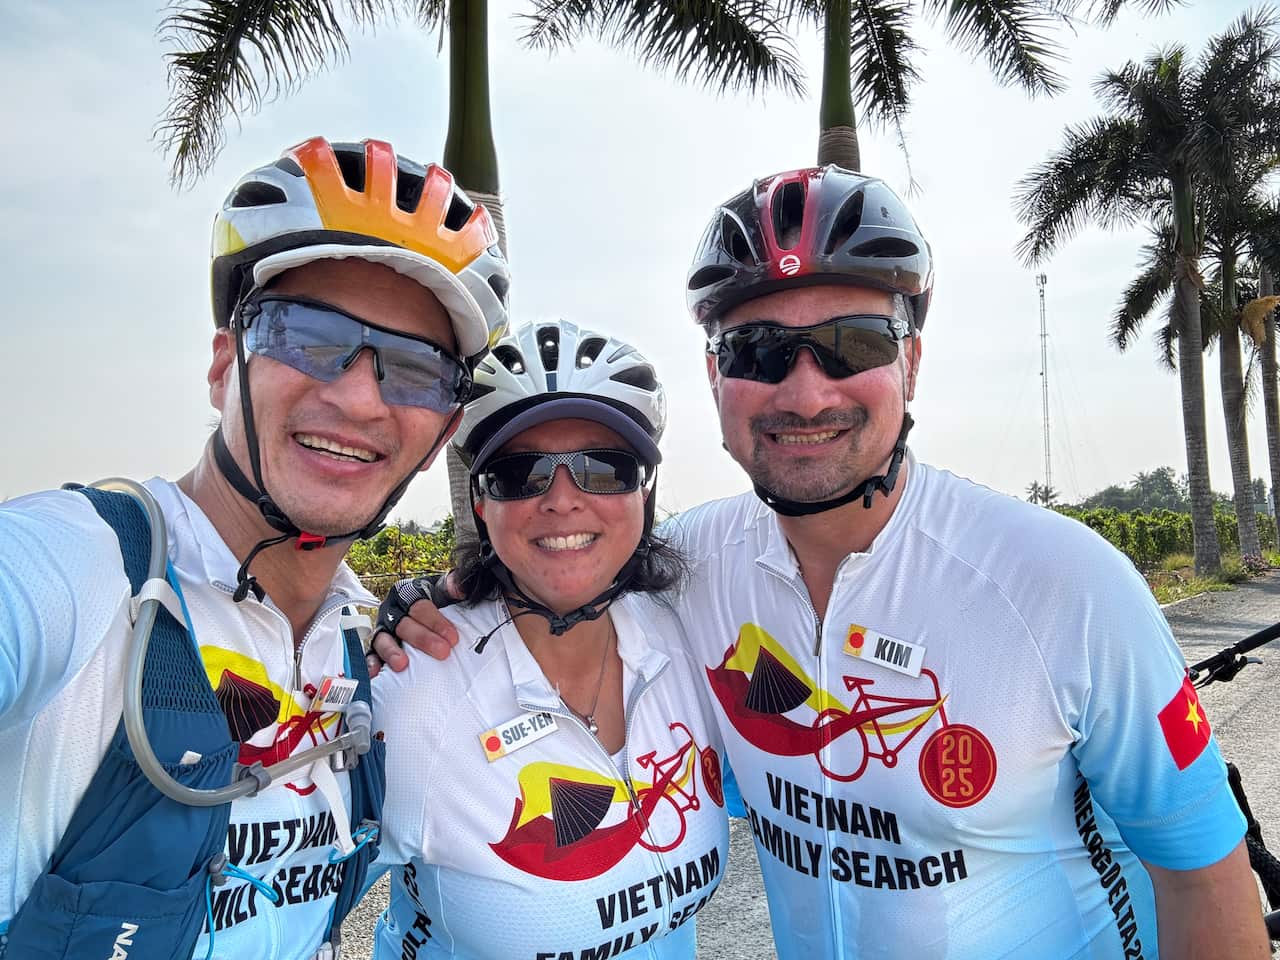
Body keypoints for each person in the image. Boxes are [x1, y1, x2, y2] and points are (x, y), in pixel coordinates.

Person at [374, 166, 1268, 959]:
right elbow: (563, 563)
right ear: (717, 377)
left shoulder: (1066, 583)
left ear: (911, 361)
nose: (806, 391)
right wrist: (438, 597)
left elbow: (1201, 872)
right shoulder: (692, 566)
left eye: (854, 344)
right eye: (760, 352)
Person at [0, 136, 509, 960]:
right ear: (222, 365)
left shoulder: (360, 652)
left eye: (415, 371)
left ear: (444, 429)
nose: (357, 398)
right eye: (306, 336)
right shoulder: (83, 574)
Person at [369, 319, 730, 960]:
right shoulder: (413, 694)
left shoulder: (688, 637)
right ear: (483, 503)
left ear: (644, 494)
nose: (563, 500)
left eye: (604, 468)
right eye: (521, 475)